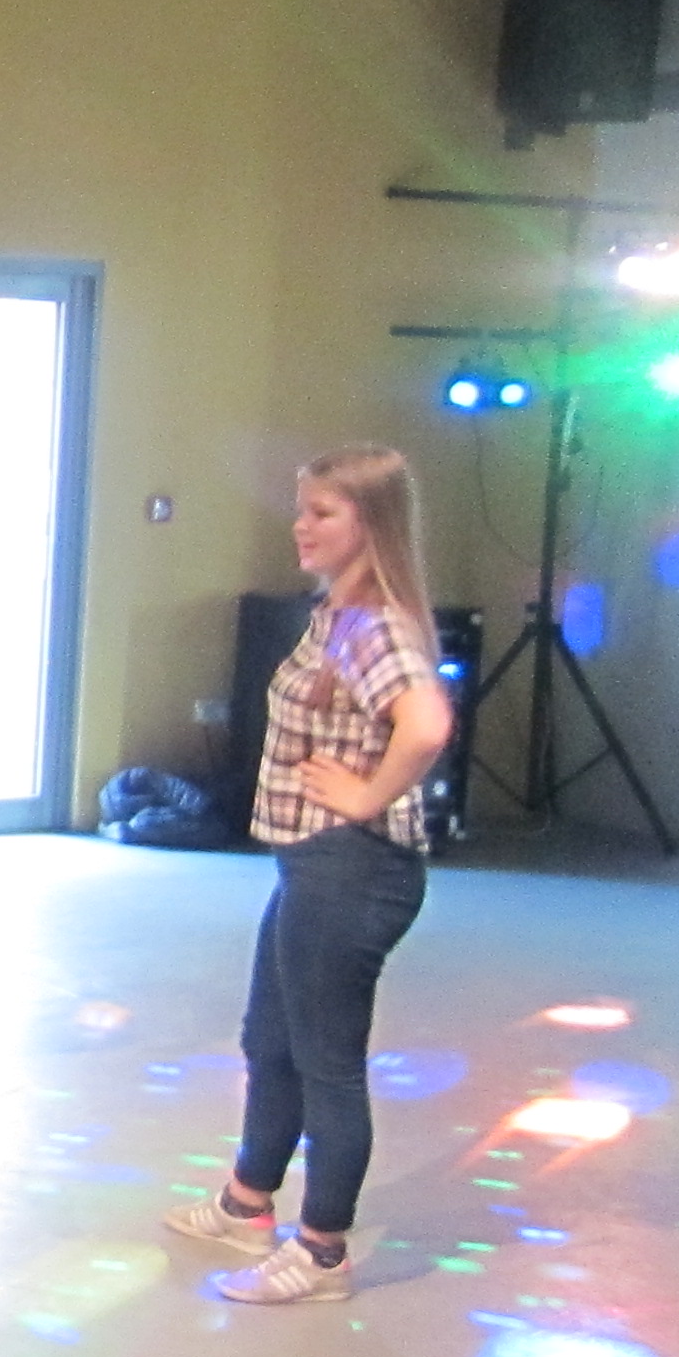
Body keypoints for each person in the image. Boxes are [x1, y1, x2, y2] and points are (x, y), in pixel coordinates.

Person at [164, 445, 450, 1307]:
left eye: (323, 512)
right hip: (312, 866)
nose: (301, 526)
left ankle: (322, 1251)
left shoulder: (377, 627)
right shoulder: (338, 616)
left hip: (351, 870)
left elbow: (426, 725)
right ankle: (247, 1200)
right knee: (271, 1039)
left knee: (327, 1063)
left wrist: (365, 795)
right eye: (302, 509)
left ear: (372, 523)